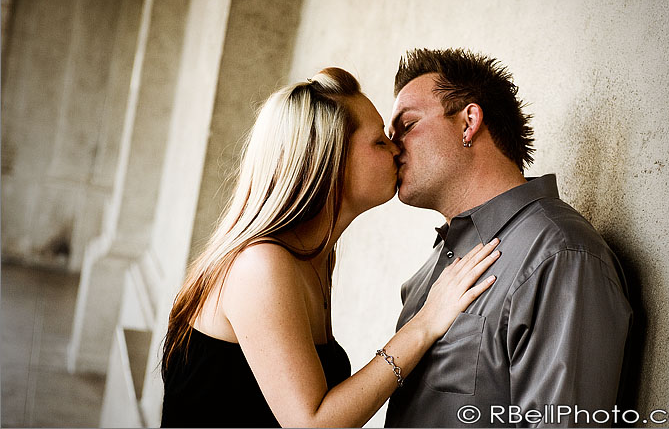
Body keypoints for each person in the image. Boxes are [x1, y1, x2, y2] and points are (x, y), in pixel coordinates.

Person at [160, 67, 501, 427]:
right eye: (379, 141)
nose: (396, 147)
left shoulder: (316, 258)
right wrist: (426, 323)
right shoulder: (261, 264)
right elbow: (312, 423)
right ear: (331, 158)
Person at [384, 48, 633, 428]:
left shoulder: (558, 254)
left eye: (408, 125)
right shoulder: (427, 275)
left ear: (469, 122)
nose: (392, 145)